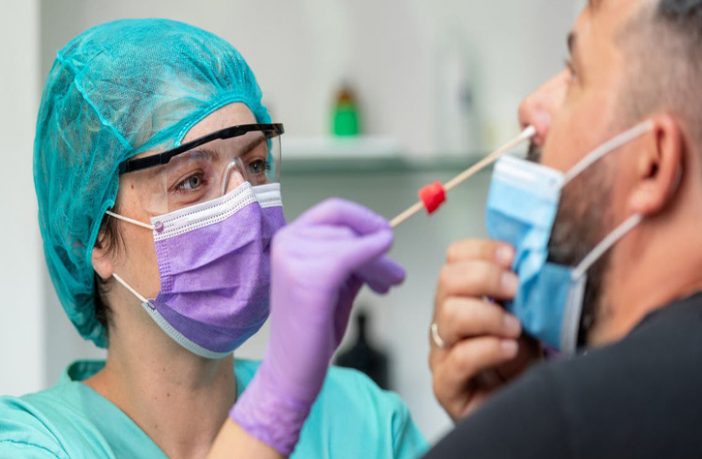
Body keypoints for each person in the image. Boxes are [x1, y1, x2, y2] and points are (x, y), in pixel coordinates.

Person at [0, 19, 427, 458]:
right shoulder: (34, 445)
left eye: (256, 165)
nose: (247, 207)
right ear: (94, 239)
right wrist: (275, 407)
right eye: (190, 180)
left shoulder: (363, 421)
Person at [425, 0, 702, 457]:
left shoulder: (553, 425)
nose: (529, 108)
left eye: (575, 74)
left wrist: (518, 431)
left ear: (654, 163)